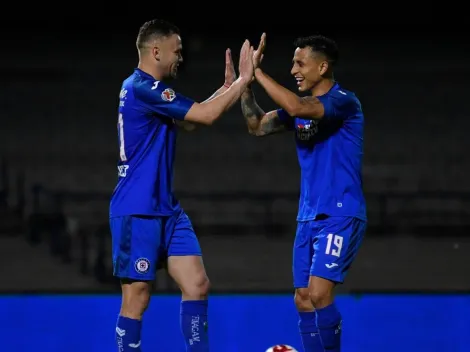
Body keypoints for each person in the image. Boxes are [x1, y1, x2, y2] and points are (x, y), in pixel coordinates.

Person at [109, 19, 254, 351]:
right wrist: (244, 81)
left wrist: (226, 88)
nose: (180, 58)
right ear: (155, 50)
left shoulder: (147, 91)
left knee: (198, 284)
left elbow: (190, 121)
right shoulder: (142, 87)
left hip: (167, 209)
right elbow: (204, 116)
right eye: (177, 51)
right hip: (137, 209)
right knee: (137, 298)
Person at [240, 33, 367, 351]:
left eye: (300, 63)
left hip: (340, 211)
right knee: (303, 299)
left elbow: (297, 106)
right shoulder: (299, 112)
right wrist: (246, 85)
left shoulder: (343, 101)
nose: (293, 69)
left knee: (320, 293)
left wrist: (257, 72)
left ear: (322, 66)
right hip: (308, 215)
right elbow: (257, 125)